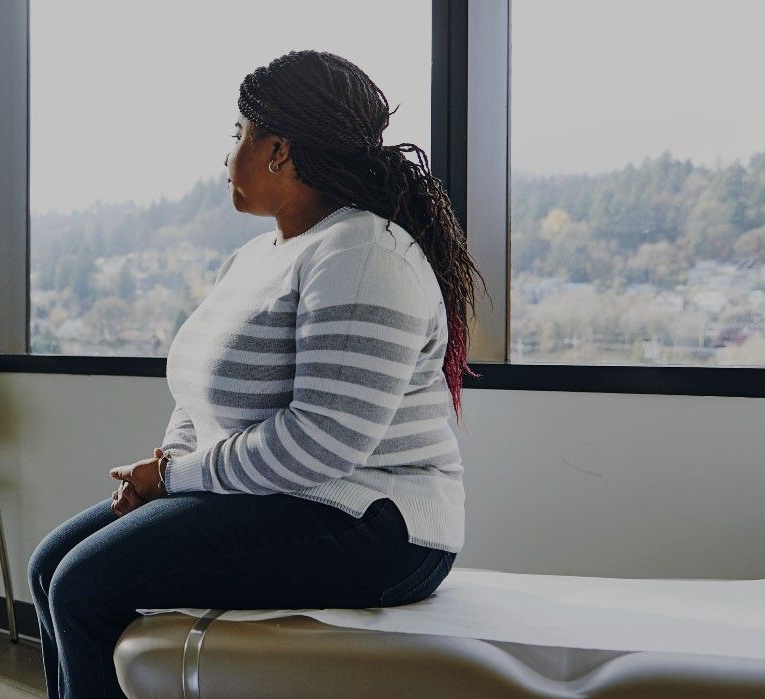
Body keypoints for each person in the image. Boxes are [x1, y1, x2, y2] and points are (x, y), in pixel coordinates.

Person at [28, 50, 485, 698]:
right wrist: (168, 471)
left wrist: (175, 477)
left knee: (84, 587)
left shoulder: (363, 252)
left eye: (237, 135)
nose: (226, 157)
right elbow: (197, 400)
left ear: (279, 150)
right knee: (49, 567)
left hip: (374, 523)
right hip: (279, 499)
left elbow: (320, 442)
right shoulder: (254, 258)